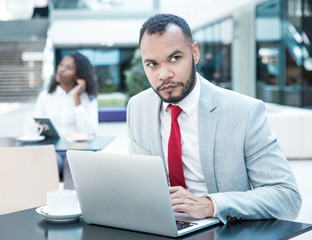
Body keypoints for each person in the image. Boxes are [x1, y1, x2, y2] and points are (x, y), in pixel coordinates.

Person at [127, 13, 301, 224]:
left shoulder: (244, 112)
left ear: (195, 53)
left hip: (221, 229)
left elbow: (287, 197)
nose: (163, 74)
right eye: (152, 64)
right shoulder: (138, 108)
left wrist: (211, 205)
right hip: (161, 226)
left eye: (174, 58)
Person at [34, 51, 99, 188]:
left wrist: (77, 99)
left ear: (78, 75)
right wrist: (41, 128)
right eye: (61, 65)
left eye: (68, 68)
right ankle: (45, 204)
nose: (61, 70)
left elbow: (90, 131)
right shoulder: (45, 97)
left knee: (73, 162)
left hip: (78, 152)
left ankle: (71, 206)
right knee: (47, 160)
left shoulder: (88, 99)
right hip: (53, 151)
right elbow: (35, 126)